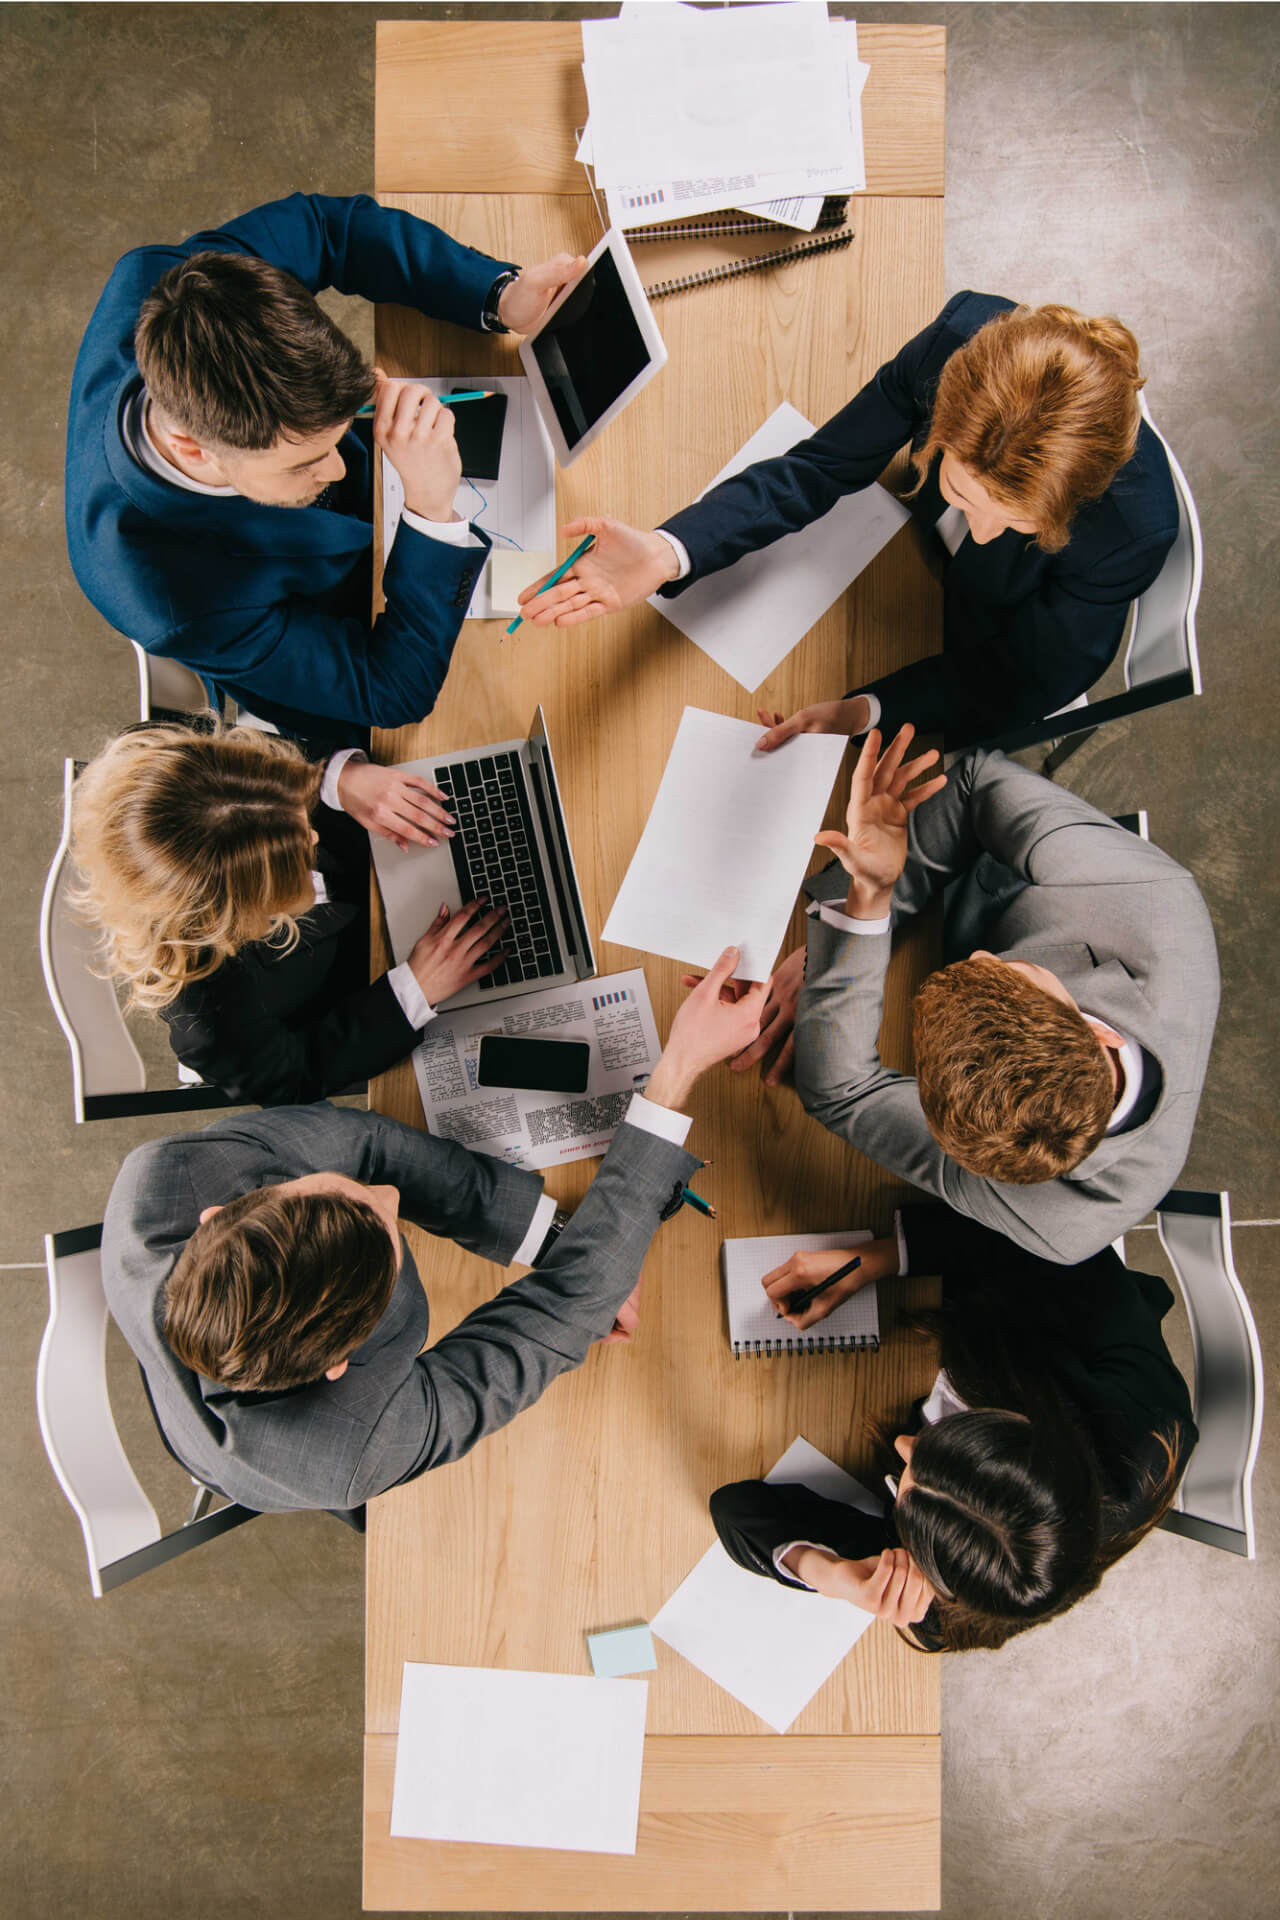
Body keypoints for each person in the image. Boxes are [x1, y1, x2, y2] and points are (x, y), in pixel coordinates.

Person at [100, 947, 769, 1514]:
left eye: (350, 1196)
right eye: (386, 1225)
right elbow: (558, 1319)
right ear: (344, 1364)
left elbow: (364, 1146)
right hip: (272, 1466)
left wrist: (548, 1240)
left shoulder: (168, 1180)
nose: (389, 1194)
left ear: (220, 1216)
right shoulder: (354, 1451)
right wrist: (677, 1070)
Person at [514, 292, 1177, 751]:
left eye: (1014, 523)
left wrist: (866, 711)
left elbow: (1017, 682)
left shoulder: (1129, 535)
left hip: (971, 640)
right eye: (961, 493)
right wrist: (669, 551)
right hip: (893, 571)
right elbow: (820, 466)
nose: (977, 533)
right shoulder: (955, 345)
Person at [65, 191, 585, 744]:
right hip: (336, 616)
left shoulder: (173, 285)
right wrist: (432, 511)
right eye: (305, 462)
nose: (339, 468)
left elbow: (331, 229)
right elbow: (391, 690)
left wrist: (499, 295)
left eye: (335, 438)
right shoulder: (172, 597)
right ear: (192, 448)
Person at [789, 724, 1219, 1264]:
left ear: (1101, 1030)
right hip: (968, 875)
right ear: (1097, 1030)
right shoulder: (1150, 897)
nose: (981, 959)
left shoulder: (1066, 1225)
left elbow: (842, 1091)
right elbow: (976, 781)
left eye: (1010, 970)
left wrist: (862, 919)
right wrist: (868, 899)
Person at [710, 1202, 1197, 1651]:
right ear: (1014, 1429)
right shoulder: (1146, 1421)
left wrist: (834, 1575)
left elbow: (735, 1511)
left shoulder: (947, 1587)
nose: (903, 1444)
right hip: (1014, 1286)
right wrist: (881, 1258)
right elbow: (1051, 1232)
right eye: (941, 1444)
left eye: (908, 1477)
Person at [70, 721, 505, 1107]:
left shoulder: (171, 764)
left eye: (295, 810)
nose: (312, 834)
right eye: (295, 853)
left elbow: (268, 747)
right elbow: (296, 1078)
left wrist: (336, 778)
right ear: (239, 912)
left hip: (386, 846)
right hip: (371, 973)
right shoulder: (209, 1022)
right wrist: (414, 989)